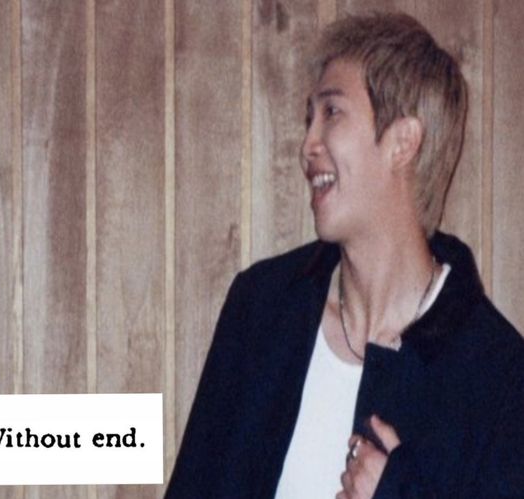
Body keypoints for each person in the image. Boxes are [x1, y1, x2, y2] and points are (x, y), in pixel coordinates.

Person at [167, 12, 524, 499]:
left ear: (403, 142)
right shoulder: (262, 309)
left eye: (332, 112)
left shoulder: (497, 377)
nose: (307, 145)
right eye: (309, 118)